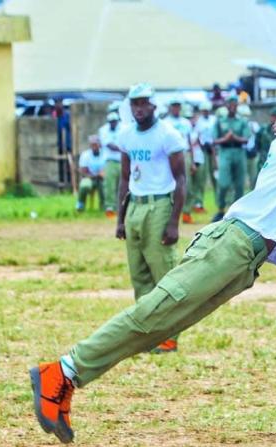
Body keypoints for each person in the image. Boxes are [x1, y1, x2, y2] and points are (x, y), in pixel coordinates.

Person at [28, 79, 276, 445]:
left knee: (164, 323)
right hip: (232, 245)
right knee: (154, 313)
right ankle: (61, 372)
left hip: (244, 253)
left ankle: (67, 377)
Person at [116, 83, 187, 354]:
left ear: (154, 105)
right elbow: (124, 179)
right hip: (135, 204)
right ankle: (147, 335)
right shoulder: (126, 136)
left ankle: (169, 336)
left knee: (164, 275)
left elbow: (181, 179)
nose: (139, 108)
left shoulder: (167, 135)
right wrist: (120, 218)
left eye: (144, 103)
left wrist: (173, 222)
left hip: (159, 204)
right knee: (140, 275)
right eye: (135, 104)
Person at [211, 97, 250, 221]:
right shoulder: (220, 121)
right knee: (223, 183)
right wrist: (226, 139)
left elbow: (246, 138)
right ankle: (221, 209)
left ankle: (236, 212)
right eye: (230, 104)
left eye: (235, 104)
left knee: (239, 184)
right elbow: (215, 140)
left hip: (239, 152)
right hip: (225, 152)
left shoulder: (242, 121)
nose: (232, 106)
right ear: (226, 106)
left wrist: (234, 137)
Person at [165, 98, 197, 224]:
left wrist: (193, 161)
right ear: (170, 107)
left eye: (178, 106)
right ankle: (169, 213)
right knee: (170, 185)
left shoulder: (186, 123)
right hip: (170, 154)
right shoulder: (166, 123)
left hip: (185, 153)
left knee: (185, 183)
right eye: (174, 106)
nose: (176, 108)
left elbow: (189, 141)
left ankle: (187, 212)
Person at [99, 112, 123, 216]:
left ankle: (121, 208)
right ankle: (110, 208)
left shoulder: (123, 128)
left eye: (114, 121)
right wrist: (122, 148)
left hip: (123, 160)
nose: (113, 124)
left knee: (122, 185)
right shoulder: (103, 130)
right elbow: (109, 145)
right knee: (110, 185)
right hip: (110, 161)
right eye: (111, 122)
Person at [76, 135, 107, 211]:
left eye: (96, 144)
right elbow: (83, 172)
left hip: (101, 179)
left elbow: (106, 170)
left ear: (99, 145)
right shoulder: (85, 155)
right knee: (84, 186)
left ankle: (103, 207)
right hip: (89, 178)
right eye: (92, 145)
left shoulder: (105, 155)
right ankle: (80, 206)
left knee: (105, 186)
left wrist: (102, 174)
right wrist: (97, 175)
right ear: (90, 146)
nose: (94, 147)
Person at [195, 100, 218, 196]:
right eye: (204, 110)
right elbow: (197, 136)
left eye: (207, 110)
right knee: (202, 176)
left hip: (214, 149)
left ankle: (219, 199)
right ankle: (199, 201)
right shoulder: (199, 121)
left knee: (216, 174)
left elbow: (217, 134)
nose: (206, 112)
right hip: (203, 149)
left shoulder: (214, 119)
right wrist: (202, 145)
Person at [238, 103, 261, 190]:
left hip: (252, 154)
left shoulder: (253, 125)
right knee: (240, 178)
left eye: (246, 115)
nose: (245, 117)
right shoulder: (237, 126)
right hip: (241, 154)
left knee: (253, 177)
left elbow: (259, 137)